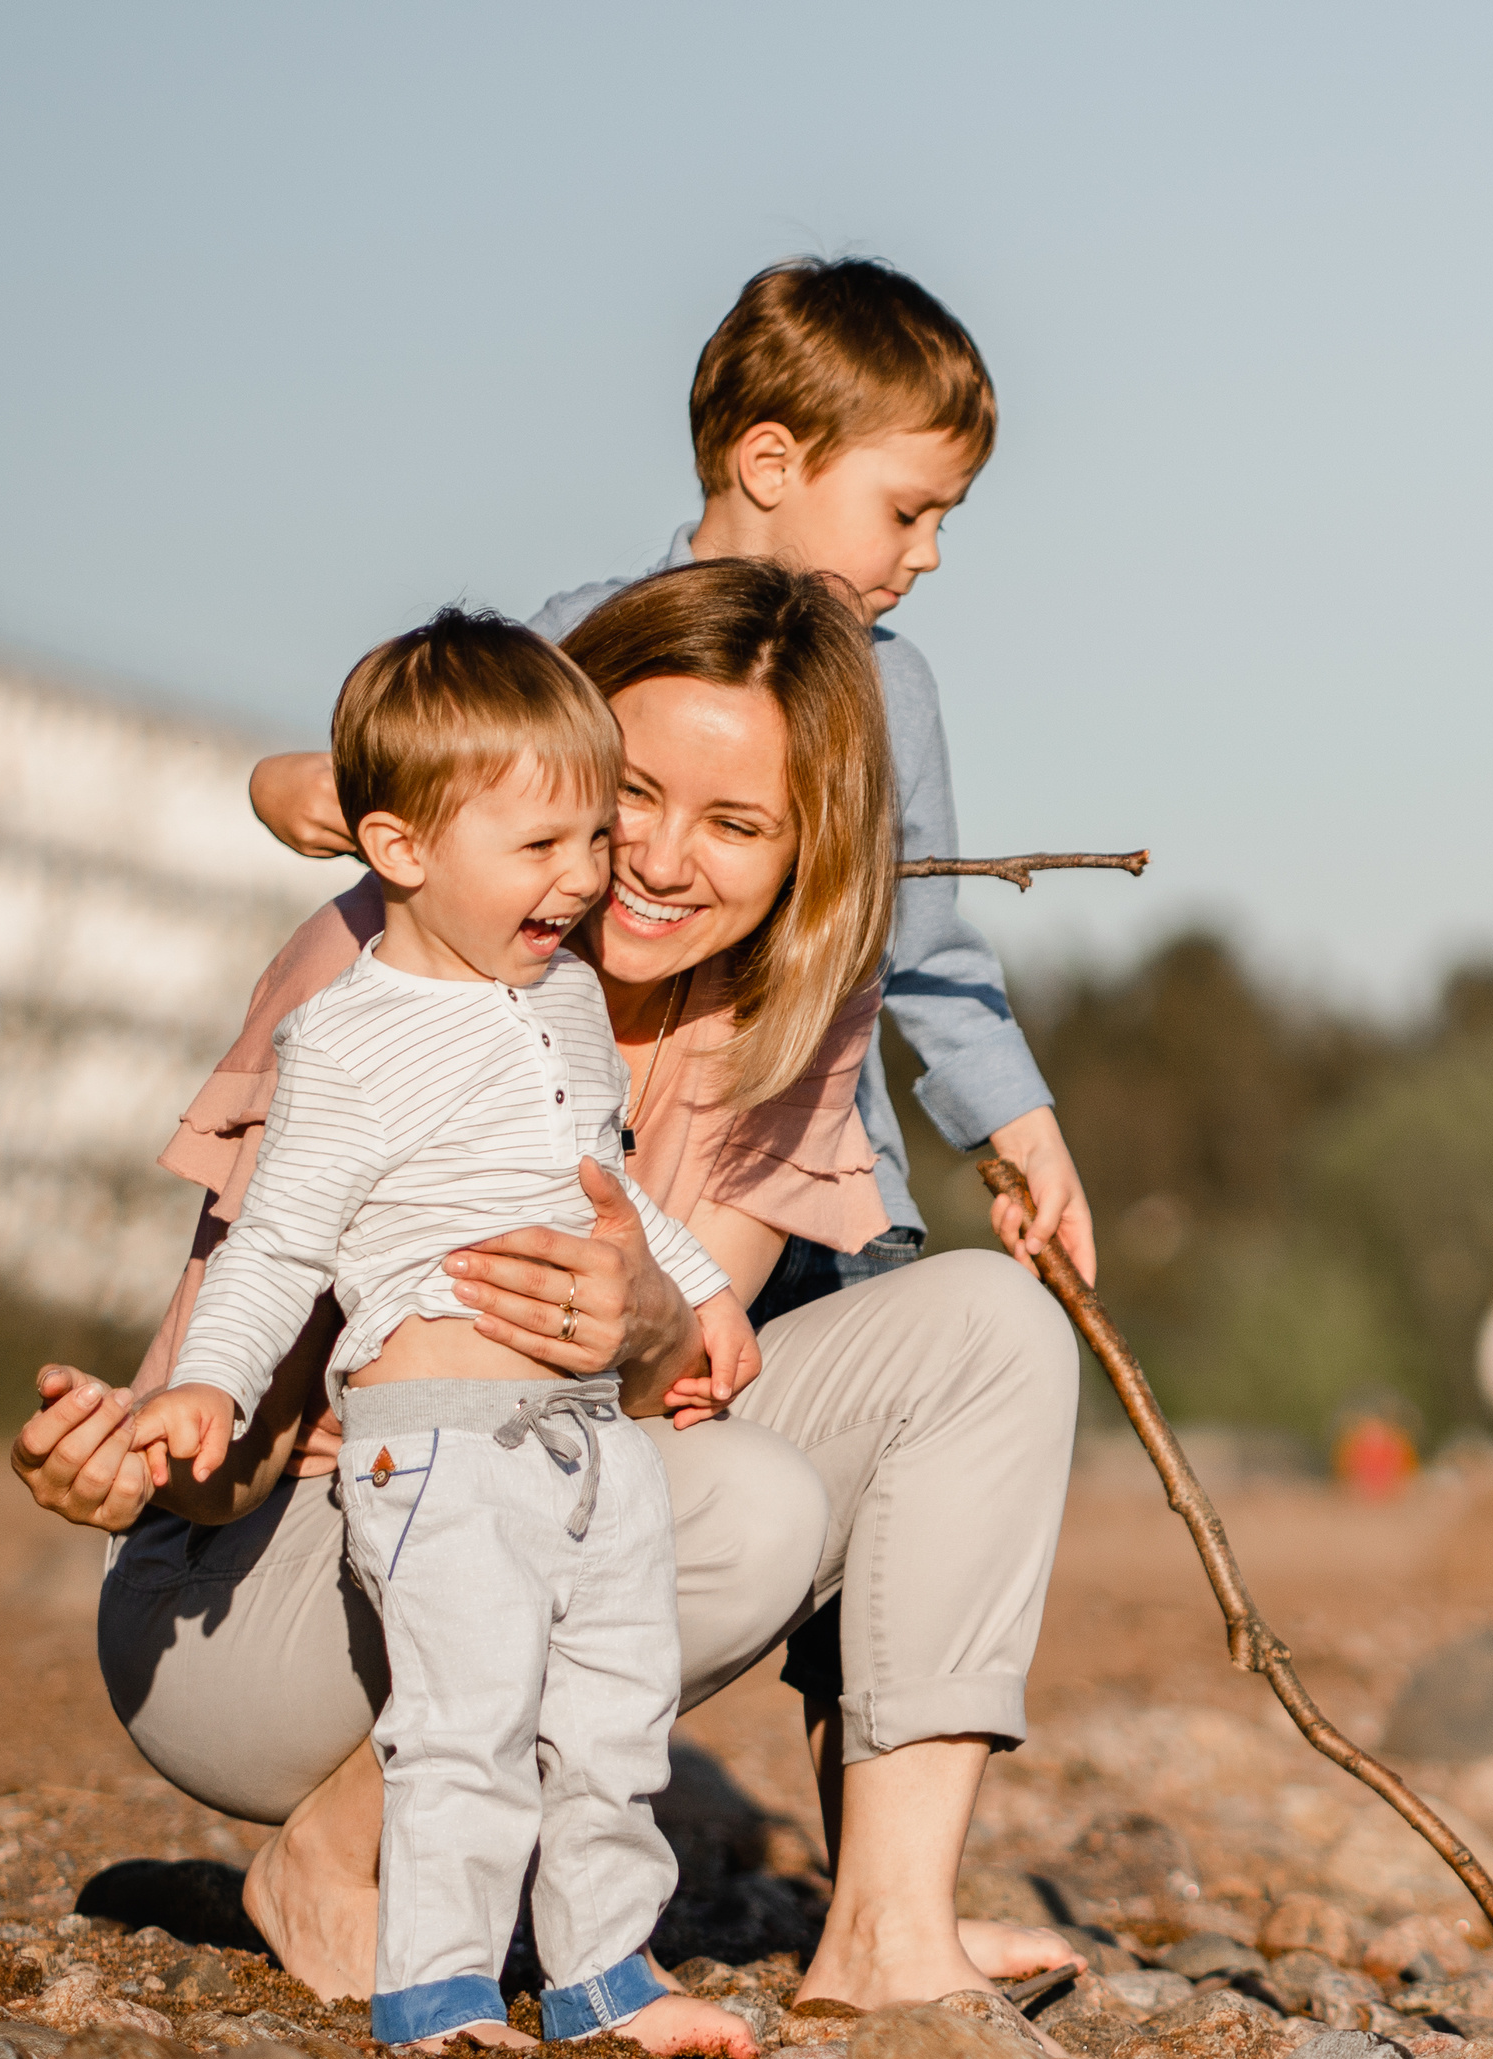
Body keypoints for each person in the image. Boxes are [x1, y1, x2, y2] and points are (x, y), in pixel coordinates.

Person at [13, 561, 1081, 2028]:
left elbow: (680, 1375)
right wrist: (136, 1451)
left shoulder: (788, 1002)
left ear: (800, 850)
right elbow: (231, 1435)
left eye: (737, 824)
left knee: (988, 1329)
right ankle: (339, 1854)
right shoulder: (373, 972)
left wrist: (648, 1323)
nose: (654, 861)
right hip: (262, 1589)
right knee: (734, 1504)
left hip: (548, 1464)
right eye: (628, 794)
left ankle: (888, 1932)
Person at [132, 609, 753, 2056]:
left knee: (611, 1721)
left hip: (589, 1442)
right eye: (539, 846)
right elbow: (278, 1241)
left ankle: (605, 1976)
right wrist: (211, 1381)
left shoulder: (570, 999)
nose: (582, 877)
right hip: (441, 1451)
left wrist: (699, 1289)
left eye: (591, 838)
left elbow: (602, 1189)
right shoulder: (348, 1039)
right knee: (466, 1718)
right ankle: (439, 1987)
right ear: (400, 848)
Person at [248, 256, 1098, 1297]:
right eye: (906, 512)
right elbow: (434, 799)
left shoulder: (893, 693)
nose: (927, 554)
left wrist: (1024, 1130)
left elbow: (920, 949)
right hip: (607, 1168)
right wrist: (301, 786)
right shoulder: (583, 641)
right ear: (771, 462)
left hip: (824, 1201)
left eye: (942, 522)